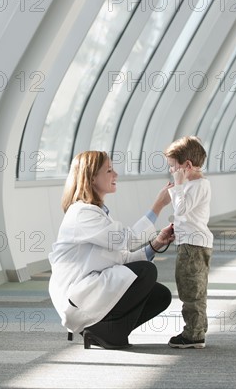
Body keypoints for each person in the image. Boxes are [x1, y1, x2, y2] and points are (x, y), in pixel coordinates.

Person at [48, 150, 175, 350]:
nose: (115, 175)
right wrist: (158, 206)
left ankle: (108, 331)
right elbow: (124, 240)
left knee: (160, 295)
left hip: (92, 289)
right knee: (146, 272)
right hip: (78, 298)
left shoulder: (97, 213)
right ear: (91, 178)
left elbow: (122, 259)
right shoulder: (82, 214)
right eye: (109, 170)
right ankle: (104, 330)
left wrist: (156, 244)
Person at [164, 136, 213, 349]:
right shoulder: (195, 185)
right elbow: (185, 215)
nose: (171, 171)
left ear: (187, 166)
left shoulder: (196, 186)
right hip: (191, 241)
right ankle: (198, 328)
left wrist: (177, 186)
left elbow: (181, 209)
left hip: (192, 246)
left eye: (173, 167)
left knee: (189, 289)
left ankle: (193, 334)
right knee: (195, 287)